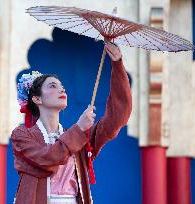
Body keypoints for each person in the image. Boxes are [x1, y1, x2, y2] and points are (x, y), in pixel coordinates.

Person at [11, 42, 132, 204]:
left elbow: (118, 118)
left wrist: (117, 64)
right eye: (53, 86)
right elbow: (47, 160)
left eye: (62, 87)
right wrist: (79, 128)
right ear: (36, 99)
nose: (62, 90)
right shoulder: (22, 136)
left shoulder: (81, 139)